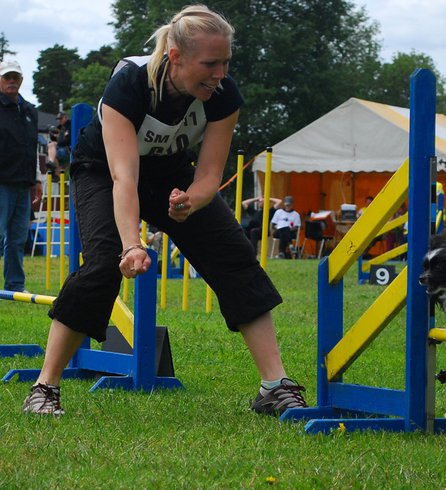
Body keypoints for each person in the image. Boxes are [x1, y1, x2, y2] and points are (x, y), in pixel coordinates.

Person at [21, 5, 307, 417]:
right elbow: (123, 178)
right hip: (103, 170)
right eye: (209, 64)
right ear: (175, 56)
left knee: (234, 253)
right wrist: (131, 245)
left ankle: (274, 386)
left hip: (170, 173)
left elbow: (209, 174)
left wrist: (193, 200)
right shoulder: (129, 86)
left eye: (225, 62)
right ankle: (45, 387)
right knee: (104, 264)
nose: (220, 74)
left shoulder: (224, 95)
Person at [0, 60, 43, 292]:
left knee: (18, 239)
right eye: (7, 77)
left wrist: (36, 179)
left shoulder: (29, 110)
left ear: (21, 80)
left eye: (15, 77)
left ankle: (15, 285)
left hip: (23, 183)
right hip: (2, 182)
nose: (11, 81)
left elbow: (32, 147)